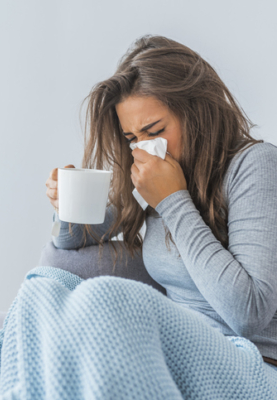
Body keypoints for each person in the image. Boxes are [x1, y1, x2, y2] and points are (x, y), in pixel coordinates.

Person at [45, 34, 277, 377]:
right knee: (47, 283)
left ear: (197, 112)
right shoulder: (161, 172)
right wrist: (66, 205)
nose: (144, 149)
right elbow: (71, 242)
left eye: (154, 130)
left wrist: (172, 201)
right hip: (176, 352)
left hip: (248, 366)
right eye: (132, 139)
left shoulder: (256, 164)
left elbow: (248, 313)